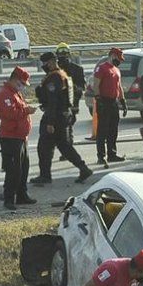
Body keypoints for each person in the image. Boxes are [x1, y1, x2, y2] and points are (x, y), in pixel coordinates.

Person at [30, 52, 93, 186]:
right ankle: (83, 168)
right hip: (64, 115)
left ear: (51, 62)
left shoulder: (54, 78)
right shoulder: (62, 74)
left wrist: (50, 122)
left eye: (45, 63)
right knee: (64, 146)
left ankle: (45, 175)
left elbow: (53, 101)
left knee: (44, 147)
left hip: (55, 116)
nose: (43, 66)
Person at [0, 66, 38, 210]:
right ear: (15, 79)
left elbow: (18, 110)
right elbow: (9, 114)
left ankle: (21, 195)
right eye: (22, 83)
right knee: (13, 170)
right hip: (10, 137)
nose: (23, 87)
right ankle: (9, 199)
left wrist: (25, 111)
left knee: (23, 168)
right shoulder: (5, 94)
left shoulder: (15, 93)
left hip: (20, 137)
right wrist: (27, 111)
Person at [91, 47, 128, 167]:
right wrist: (98, 99)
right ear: (112, 56)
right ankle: (101, 156)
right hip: (104, 101)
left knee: (113, 130)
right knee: (102, 130)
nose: (120, 61)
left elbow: (119, 86)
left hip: (113, 102)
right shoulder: (102, 68)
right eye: (118, 58)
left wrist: (123, 101)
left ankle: (112, 154)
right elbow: (96, 84)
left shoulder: (116, 70)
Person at [55, 43, 86, 116]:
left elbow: (81, 86)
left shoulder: (78, 69)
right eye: (61, 54)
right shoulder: (53, 69)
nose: (63, 57)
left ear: (69, 54)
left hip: (71, 102)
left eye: (65, 54)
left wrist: (74, 91)